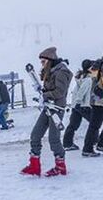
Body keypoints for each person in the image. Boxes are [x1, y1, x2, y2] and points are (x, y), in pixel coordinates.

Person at [20, 47, 73, 177]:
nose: (42, 64)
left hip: (56, 108)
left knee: (53, 138)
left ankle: (60, 166)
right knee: (35, 135)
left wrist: (44, 95)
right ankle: (34, 166)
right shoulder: (51, 71)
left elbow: (59, 92)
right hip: (48, 107)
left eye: (43, 62)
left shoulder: (61, 72)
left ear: (50, 60)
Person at [63, 60, 94, 151]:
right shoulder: (88, 79)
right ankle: (95, 141)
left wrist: (76, 103)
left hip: (76, 105)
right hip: (82, 105)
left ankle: (67, 144)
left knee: (73, 124)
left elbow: (77, 91)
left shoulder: (80, 77)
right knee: (94, 123)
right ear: (89, 68)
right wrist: (79, 101)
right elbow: (81, 92)